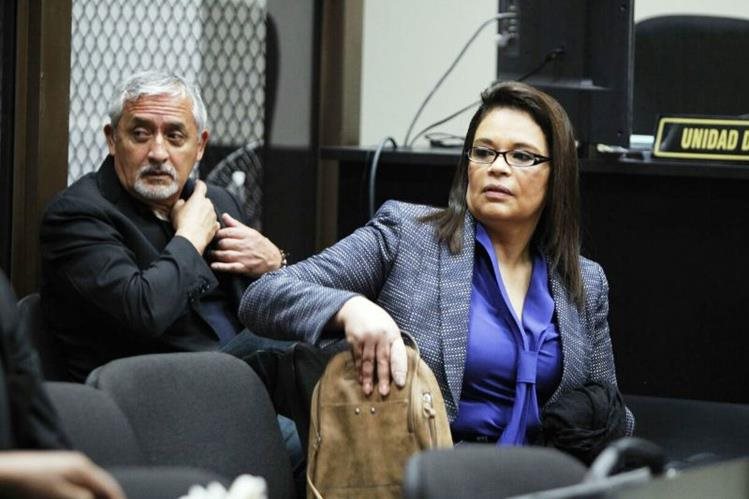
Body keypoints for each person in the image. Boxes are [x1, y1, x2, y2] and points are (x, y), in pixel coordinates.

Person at [239, 81, 634, 446]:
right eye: (483, 152)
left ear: (556, 175)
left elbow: (612, 412)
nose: (497, 166)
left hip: (540, 478)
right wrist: (350, 308)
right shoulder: (408, 236)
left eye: (521, 156)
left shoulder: (584, 280)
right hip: (429, 473)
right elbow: (265, 295)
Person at [40, 70, 287, 382]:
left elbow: (269, 308)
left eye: (174, 137)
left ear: (199, 146)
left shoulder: (218, 203)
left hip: (245, 385)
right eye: (141, 135)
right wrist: (190, 239)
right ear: (112, 139)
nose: (158, 153)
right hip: (152, 400)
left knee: (328, 339)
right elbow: (144, 312)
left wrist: (276, 261)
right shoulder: (77, 215)